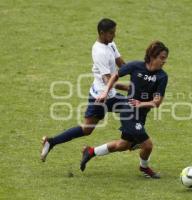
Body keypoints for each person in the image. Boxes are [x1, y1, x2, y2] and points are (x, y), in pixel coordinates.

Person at [40, 18, 128, 162]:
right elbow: (107, 80)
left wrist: (138, 74)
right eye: (111, 33)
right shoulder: (99, 51)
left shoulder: (110, 43)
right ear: (102, 33)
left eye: (114, 32)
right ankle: (51, 142)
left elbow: (122, 64)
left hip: (109, 95)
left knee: (132, 107)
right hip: (100, 97)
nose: (114, 35)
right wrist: (128, 87)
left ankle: (132, 139)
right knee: (87, 129)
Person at [80, 41, 169, 179]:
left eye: (165, 58)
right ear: (152, 56)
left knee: (123, 145)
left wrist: (141, 104)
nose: (164, 61)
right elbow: (115, 76)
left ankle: (91, 152)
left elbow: (157, 102)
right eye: (162, 58)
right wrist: (105, 92)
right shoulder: (135, 66)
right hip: (128, 112)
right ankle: (144, 168)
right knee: (148, 145)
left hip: (141, 114)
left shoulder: (162, 77)